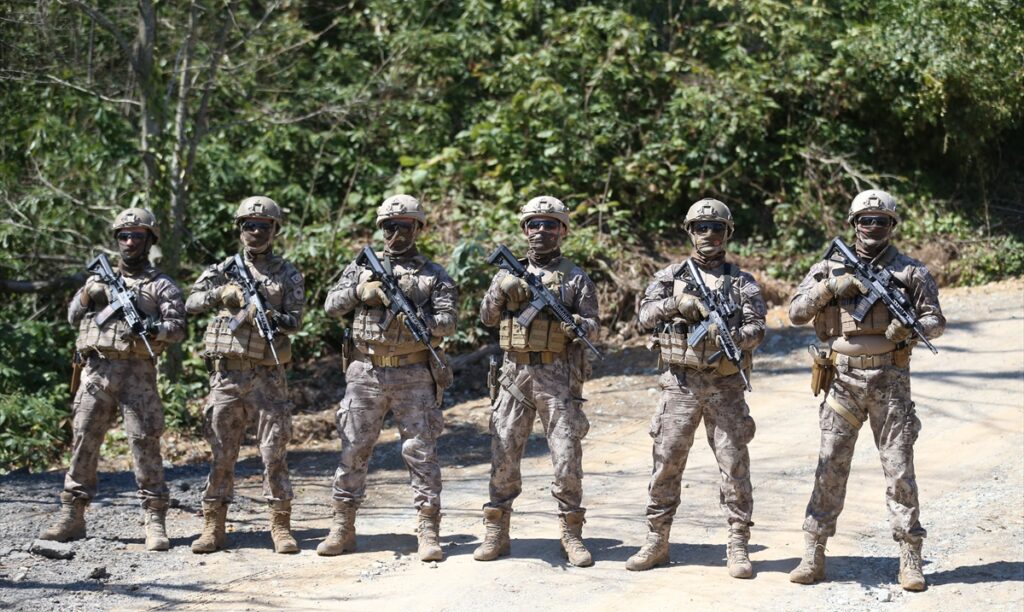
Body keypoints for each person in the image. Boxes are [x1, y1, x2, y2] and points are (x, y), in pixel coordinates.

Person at [788, 189, 945, 591]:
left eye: (881, 221)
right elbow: (795, 313)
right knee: (829, 467)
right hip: (842, 381)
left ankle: (910, 554)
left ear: (892, 226)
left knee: (899, 470)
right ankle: (814, 552)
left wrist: (910, 328)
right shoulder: (828, 267)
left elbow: (936, 322)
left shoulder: (911, 272)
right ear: (853, 224)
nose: (872, 227)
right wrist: (830, 289)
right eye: (864, 220)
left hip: (890, 383)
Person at [625, 198, 766, 577]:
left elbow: (758, 327)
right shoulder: (670, 276)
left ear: (728, 233)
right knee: (666, 462)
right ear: (689, 231)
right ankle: (657, 540)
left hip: (725, 386)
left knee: (734, 466)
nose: (709, 235)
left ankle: (738, 544)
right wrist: (676, 303)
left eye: (716, 228)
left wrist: (734, 335)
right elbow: (644, 316)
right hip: (680, 384)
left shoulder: (741, 282)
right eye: (701, 228)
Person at [317, 194, 457, 562]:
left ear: (418, 228)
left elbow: (449, 321)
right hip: (365, 371)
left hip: (414, 373)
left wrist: (416, 317)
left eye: (405, 226)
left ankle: (428, 530)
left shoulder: (433, 275)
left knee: (421, 452)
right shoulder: (361, 267)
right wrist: (360, 291)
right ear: (381, 229)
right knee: (354, 449)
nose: (397, 233)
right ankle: (342, 527)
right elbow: (331, 306)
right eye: (390, 226)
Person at [40, 208, 186, 551]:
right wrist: (89, 293)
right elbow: (73, 316)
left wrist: (152, 327)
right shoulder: (99, 281)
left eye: (137, 235)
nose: (130, 242)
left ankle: (154, 519)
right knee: (84, 442)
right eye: (124, 235)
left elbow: (178, 328)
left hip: (138, 374)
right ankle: (72, 515)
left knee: (145, 443)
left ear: (150, 240)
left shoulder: (160, 285)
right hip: (96, 371)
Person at [473, 195, 600, 567]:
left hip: (558, 377)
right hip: (514, 376)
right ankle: (497, 530)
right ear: (524, 230)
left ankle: (571, 533)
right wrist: (501, 290)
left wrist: (577, 325)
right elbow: (486, 318)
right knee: (504, 454)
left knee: (565, 457)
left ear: (562, 230)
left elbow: (593, 324)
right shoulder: (506, 273)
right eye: (534, 224)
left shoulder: (575, 277)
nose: (541, 231)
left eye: (550, 224)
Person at [185, 196, 305, 554]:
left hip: (268, 377)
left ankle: (280, 527)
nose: (255, 232)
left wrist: (267, 316)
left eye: (263, 226)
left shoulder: (287, 273)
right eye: (248, 226)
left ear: (274, 230)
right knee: (222, 452)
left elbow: (296, 321)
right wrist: (222, 293)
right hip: (227, 377)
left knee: (273, 452)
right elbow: (190, 302)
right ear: (240, 229)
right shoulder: (223, 268)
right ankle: (213, 526)